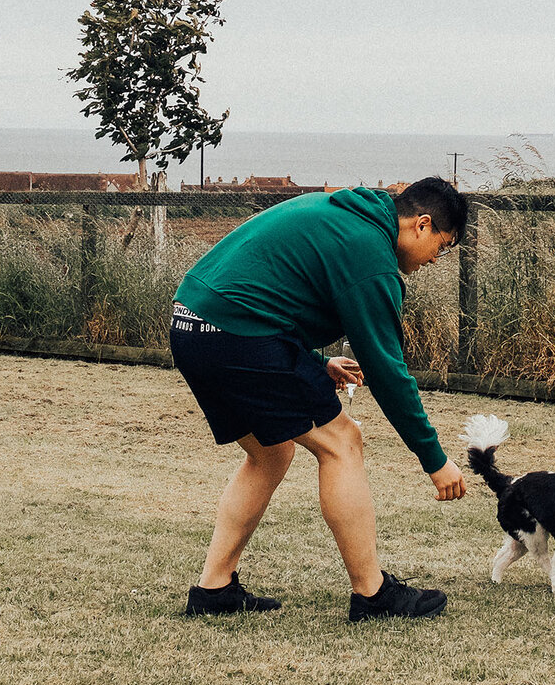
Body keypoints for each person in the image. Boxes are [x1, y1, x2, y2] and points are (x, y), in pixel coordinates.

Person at [169, 175, 469, 620]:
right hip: (236, 333)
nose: (435, 260)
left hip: (192, 323)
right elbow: (388, 372)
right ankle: (372, 594)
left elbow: (268, 290)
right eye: (442, 247)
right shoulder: (370, 253)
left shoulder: (346, 216)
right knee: (342, 442)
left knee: (270, 453)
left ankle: (214, 590)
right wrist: (434, 458)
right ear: (422, 225)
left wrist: (314, 362)